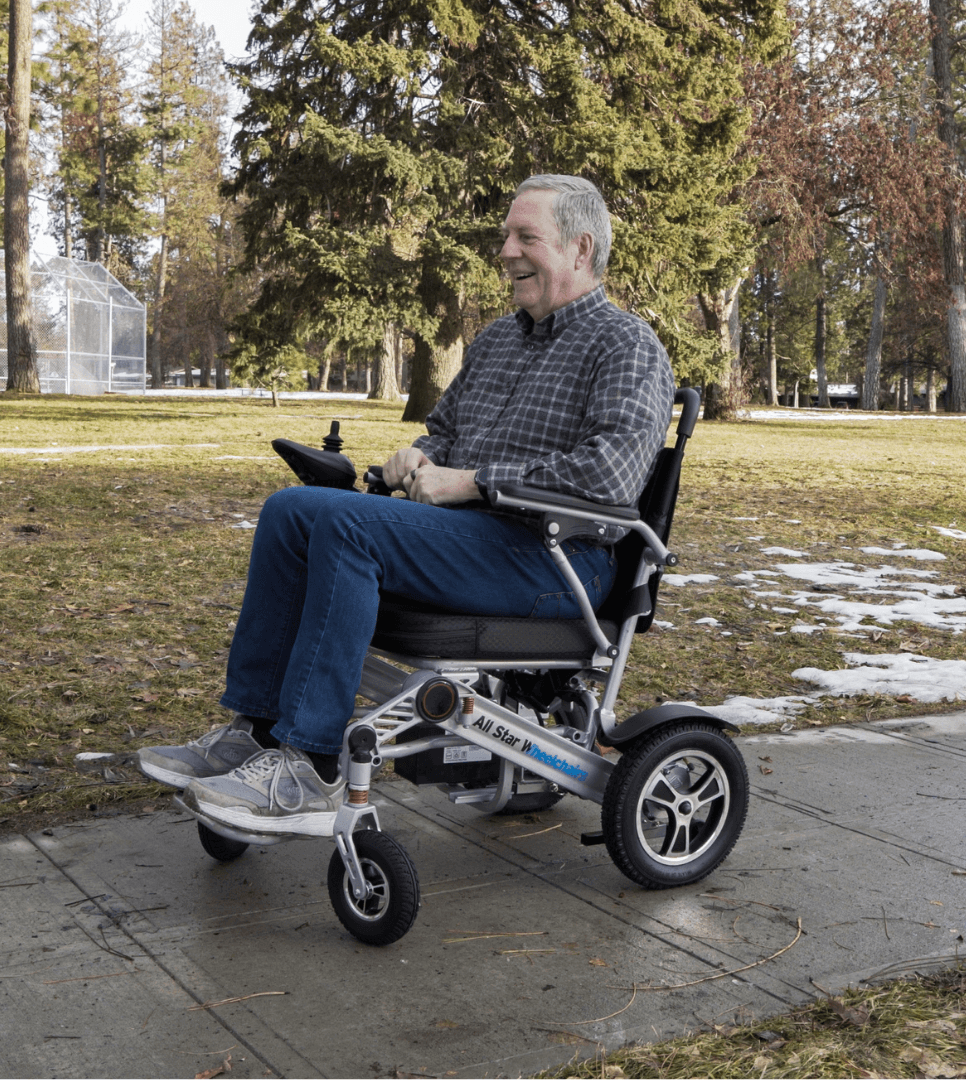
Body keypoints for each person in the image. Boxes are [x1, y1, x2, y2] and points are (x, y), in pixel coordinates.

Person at [137, 174, 674, 837]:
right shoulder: (498, 341)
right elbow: (443, 434)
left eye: (524, 236)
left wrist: (472, 481)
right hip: (471, 540)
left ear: (581, 249)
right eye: (506, 235)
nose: (505, 250)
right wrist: (418, 460)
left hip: (558, 560)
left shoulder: (627, 346)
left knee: (344, 524)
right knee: (291, 511)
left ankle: (311, 767)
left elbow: (611, 475)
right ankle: (255, 732)